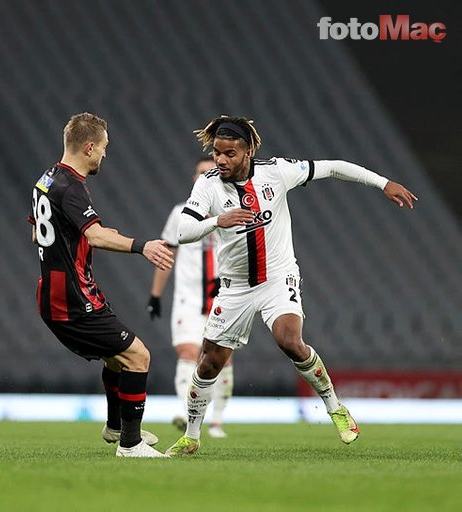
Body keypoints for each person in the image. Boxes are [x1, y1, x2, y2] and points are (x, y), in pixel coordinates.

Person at [166, 115, 417, 456]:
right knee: (209, 363)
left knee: (289, 340)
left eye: (229, 153)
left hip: (277, 277)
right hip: (235, 286)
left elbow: (333, 167)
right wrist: (217, 220)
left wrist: (383, 182)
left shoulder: (277, 172)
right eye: (217, 153)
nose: (221, 160)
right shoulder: (208, 184)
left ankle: (335, 408)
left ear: (249, 150)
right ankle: (191, 436)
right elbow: (182, 232)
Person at [30, 112, 175, 458]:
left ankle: (115, 427)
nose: (106, 155)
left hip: (56, 292)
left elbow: (37, 231)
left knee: (115, 359)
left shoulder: (46, 181)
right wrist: (143, 246)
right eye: (104, 148)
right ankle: (130, 444)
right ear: (89, 147)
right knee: (139, 356)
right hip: (72, 300)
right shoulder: (72, 189)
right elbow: (94, 236)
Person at [147, 156, 234, 438]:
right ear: (194, 178)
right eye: (200, 173)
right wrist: (155, 294)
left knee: (222, 359)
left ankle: (216, 422)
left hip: (224, 296)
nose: (204, 176)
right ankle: (187, 413)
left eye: (210, 172)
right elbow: (167, 253)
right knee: (187, 352)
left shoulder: (233, 210)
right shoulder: (180, 213)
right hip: (188, 296)